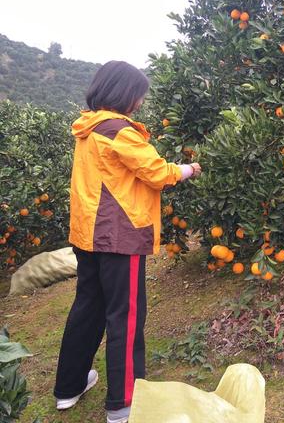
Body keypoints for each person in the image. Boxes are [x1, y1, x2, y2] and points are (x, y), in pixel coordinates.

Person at [53, 61, 202, 423]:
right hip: (120, 236)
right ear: (124, 93)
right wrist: (186, 169)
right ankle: (123, 403)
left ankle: (69, 388)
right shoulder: (120, 131)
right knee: (126, 316)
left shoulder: (87, 129)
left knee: (87, 308)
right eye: (138, 95)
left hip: (87, 235)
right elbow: (156, 173)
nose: (139, 102)